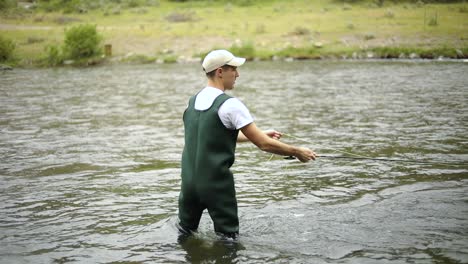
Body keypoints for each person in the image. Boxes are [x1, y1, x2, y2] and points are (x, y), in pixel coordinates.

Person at [178, 49, 317, 239]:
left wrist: (257, 134)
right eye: (233, 69)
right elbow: (264, 145)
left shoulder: (192, 102)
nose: (237, 74)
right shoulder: (230, 104)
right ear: (220, 71)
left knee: (185, 235)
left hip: (188, 186)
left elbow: (212, 136)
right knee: (228, 241)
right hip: (216, 186)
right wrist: (297, 151)